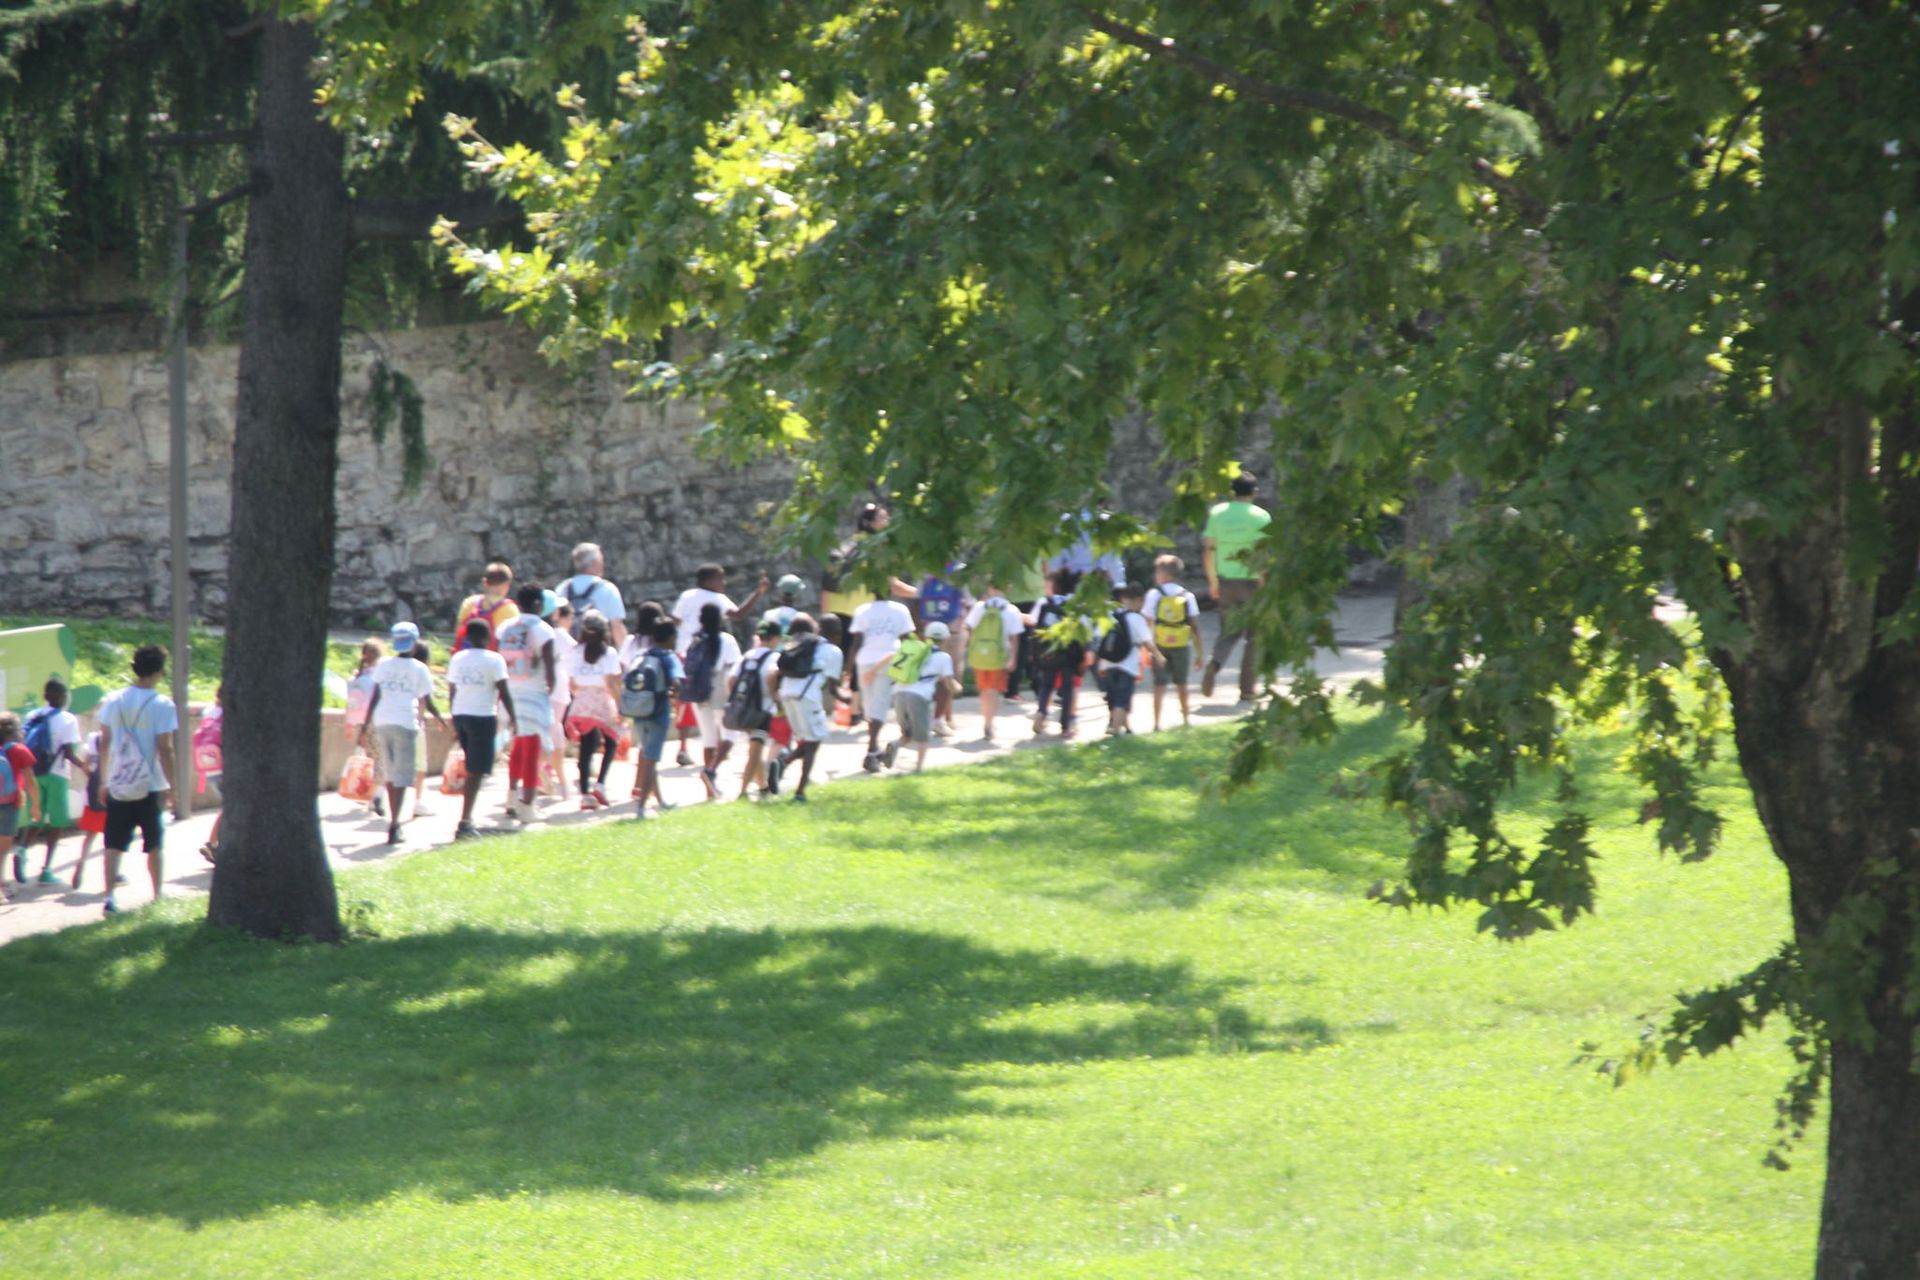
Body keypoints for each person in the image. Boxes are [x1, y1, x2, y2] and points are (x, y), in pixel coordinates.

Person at [96, 644, 178, 914]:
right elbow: (165, 749)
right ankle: (157, 895)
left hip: (119, 781)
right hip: (150, 783)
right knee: (154, 842)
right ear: (158, 672)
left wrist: (103, 781)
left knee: (113, 842)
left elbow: (105, 743)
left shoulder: (113, 700)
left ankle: (109, 897)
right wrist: (173, 786)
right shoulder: (163, 705)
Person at [359, 622, 449, 845]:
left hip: (382, 721)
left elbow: (376, 696)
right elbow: (426, 701)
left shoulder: (383, 664)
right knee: (401, 777)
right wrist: (440, 719)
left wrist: (364, 724)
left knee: (390, 774)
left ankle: (393, 820)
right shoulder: (419, 669)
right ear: (414, 642)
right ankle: (395, 824)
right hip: (405, 723)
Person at [445, 617, 519, 839]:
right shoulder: (494, 660)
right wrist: (514, 717)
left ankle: (467, 819)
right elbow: (503, 691)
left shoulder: (458, 659)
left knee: (472, 766)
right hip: (482, 716)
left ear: (467, 637)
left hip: (461, 714)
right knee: (476, 771)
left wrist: (453, 717)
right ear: (488, 638)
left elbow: (452, 689)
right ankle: (465, 822)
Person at [1202, 473, 1272, 702]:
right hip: (1251, 582)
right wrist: (1263, 582)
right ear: (1254, 492)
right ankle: (1247, 690)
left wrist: (1213, 582)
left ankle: (1215, 663)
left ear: (1232, 491)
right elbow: (1262, 554)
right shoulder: (1260, 516)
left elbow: (1208, 550)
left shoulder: (1217, 513)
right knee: (1255, 637)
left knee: (1229, 631)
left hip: (1225, 581)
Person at [498, 582, 558, 821]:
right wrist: (549, 691)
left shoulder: (505, 627)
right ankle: (527, 805)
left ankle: (512, 797)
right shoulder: (544, 630)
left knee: (518, 748)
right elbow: (550, 668)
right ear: (537, 603)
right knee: (532, 750)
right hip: (533, 695)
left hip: (510, 695)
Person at [767, 613, 843, 803]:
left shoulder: (799, 644)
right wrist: (849, 702)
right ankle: (800, 791)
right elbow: (833, 688)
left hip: (787, 694)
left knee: (810, 740)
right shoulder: (833, 651)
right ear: (837, 632)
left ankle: (784, 762)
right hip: (806, 696)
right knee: (813, 743)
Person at [20, 678, 83, 884]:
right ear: (64, 697)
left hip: (34, 774)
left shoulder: (33, 716)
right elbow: (68, 753)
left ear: (45, 697)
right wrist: (87, 769)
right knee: (57, 822)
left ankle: (21, 850)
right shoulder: (68, 719)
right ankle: (46, 870)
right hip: (56, 774)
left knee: (36, 817)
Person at [850, 591, 915, 771]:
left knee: (871, 706)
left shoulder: (863, 610)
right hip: (889, 659)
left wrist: (849, 670)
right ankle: (872, 749)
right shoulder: (900, 609)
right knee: (877, 705)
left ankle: (873, 749)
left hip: (865, 660)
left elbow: (856, 642)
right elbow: (908, 639)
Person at [564, 611, 624, 809]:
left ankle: (584, 793)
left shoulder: (575, 651)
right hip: (602, 699)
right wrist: (621, 706)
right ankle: (600, 783)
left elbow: (571, 682)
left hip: (581, 701)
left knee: (587, 747)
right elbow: (612, 682)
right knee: (612, 740)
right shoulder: (609, 652)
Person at [684, 602, 743, 799]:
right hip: (720, 687)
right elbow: (736, 669)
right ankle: (711, 770)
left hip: (699, 691)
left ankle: (709, 791)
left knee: (708, 739)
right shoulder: (726, 640)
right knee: (730, 735)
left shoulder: (695, 640)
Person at [627, 619, 685, 816]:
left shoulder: (640, 655)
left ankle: (660, 801)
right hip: (658, 712)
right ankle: (641, 808)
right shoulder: (668, 657)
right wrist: (675, 697)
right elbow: (676, 681)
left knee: (648, 754)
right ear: (670, 638)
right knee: (651, 759)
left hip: (639, 710)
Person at [881, 621, 956, 772]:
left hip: (898, 693)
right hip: (919, 696)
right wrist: (957, 689)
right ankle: (918, 768)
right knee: (923, 735)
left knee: (907, 733)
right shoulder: (943, 657)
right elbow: (950, 684)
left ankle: (895, 745)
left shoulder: (914, 650)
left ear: (925, 636)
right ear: (945, 639)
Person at [1144, 554, 1206, 730]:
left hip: (1160, 646)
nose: (1155, 575)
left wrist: (1146, 648)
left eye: (1157, 571)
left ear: (1163, 574)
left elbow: (1147, 622)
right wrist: (1200, 653)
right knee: (1182, 683)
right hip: (1181, 645)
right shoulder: (1188, 596)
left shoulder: (1154, 594)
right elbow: (1194, 627)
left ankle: (1156, 723)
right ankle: (1186, 719)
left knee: (1159, 684)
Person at [962, 581, 1025, 741]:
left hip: (980, 653)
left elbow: (969, 627)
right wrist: (1013, 659)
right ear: (1008, 588)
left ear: (989, 588)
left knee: (984, 689)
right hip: (999, 655)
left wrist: (971, 648)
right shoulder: (1011, 610)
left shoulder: (979, 607)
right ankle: (989, 723)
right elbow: (1014, 638)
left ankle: (986, 719)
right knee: (993, 690)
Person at [1028, 569, 1088, 738]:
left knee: (1046, 685)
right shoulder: (1075, 605)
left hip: (1047, 651)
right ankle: (1065, 726)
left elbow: (1033, 623)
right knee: (1067, 688)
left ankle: (1041, 711)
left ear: (1054, 585)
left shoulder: (1044, 603)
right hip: (1068, 653)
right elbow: (1084, 629)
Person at [729, 619, 785, 799]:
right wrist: (775, 697)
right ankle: (743, 791)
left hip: (745, 708)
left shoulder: (748, 655)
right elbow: (771, 676)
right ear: (776, 638)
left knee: (755, 747)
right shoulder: (774, 657)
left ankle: (763, 787)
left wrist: (738, 699)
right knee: (754, 751)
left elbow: (731, 680)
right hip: (762, 709)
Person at [1095, 583, 1160, 736]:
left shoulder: (1110, 616)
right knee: (1122, 701)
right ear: (1139, 600)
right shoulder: (1136, 619)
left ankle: (1124, 727)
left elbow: (1098, 638)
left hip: (1107, 664)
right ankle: (1117, 733)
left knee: (1114, 698)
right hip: (1127, 666)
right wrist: (1159, 656)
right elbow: (1147, 642)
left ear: (1123, 599)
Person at [344, 638, 389, 817]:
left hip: (361, 723)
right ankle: (376, 798)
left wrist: (352, 726)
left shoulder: (356, 677)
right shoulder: (381, 675)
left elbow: (351, 704)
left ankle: (369, 795)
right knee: (381, 761)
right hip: (379, 721)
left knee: (369, 759)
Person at [0, 713, 42, 905]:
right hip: (9, 804)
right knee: (2, 849)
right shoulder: (19, 750)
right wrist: (36, 805)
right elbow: (30, 781)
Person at [556, 542, 628, 647]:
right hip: (599, 654)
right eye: (602, 560)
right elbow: (616, 626)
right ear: (595, 563)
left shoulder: (562, 588)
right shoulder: (607, 589)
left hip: (568, 656)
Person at [672, 562, 771, 634]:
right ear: (707, 582)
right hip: (705, 647)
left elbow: (676, 620)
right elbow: (738, 615)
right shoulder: (717, 598)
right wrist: (759, 592)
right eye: (720, 579)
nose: (724, 583)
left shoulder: (686, 595)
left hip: (682, 648)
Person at [545, 600, 578, 799]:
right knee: (554, 737)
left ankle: (552, 778)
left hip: (538, 691)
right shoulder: (558, 635)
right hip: (556, 692)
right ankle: (559, 782)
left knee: (551, 736)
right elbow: (578, 653)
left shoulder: (529, 631)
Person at [69, 727, 107, 892]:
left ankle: (81, 862)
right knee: (111, 836)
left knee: (90, 835)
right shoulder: (120, 735)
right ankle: (111, 874)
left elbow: (86, 766)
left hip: (92, 792)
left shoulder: (94, 737)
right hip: (111, 792)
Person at [453, 562, 520, 652]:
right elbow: (514, 642)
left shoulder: (469, 602)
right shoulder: (510, 609)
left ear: (484, 582)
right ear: (507, 585)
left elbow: (458, 632)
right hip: (492, 660)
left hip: (465, 657)